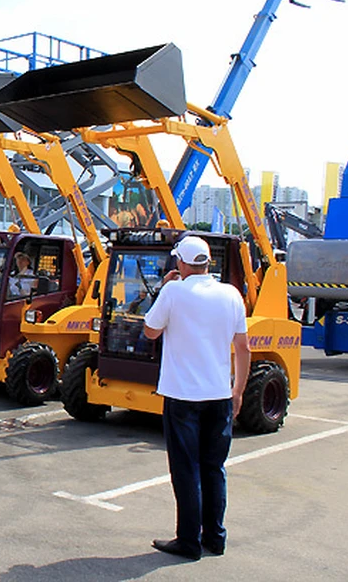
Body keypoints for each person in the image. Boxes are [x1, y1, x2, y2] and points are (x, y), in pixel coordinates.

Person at [142, 235, 250, 561]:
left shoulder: (174, 292)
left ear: (182, 263)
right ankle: (215, 537)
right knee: (214, 468)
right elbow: (243, 348)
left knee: (186, 469)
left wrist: (164, 288)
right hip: (219, 395)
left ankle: (188, 541)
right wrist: (238, 391)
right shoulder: (230, 294)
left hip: (182, 396)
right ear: (207, 262)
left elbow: (150, 330)